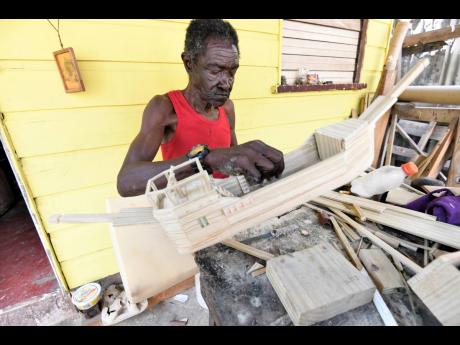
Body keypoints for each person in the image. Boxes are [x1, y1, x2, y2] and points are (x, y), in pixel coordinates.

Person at [117, 19, 284, 197]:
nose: (227, 84)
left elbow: (231, 155)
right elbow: (126, 181)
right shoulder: (165, 108)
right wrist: (205, 161)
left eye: (232, 71)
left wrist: (254, 163)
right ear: (189, 63)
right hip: (188, 207)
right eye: (214, 71)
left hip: (227, 201)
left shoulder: (227, 108)